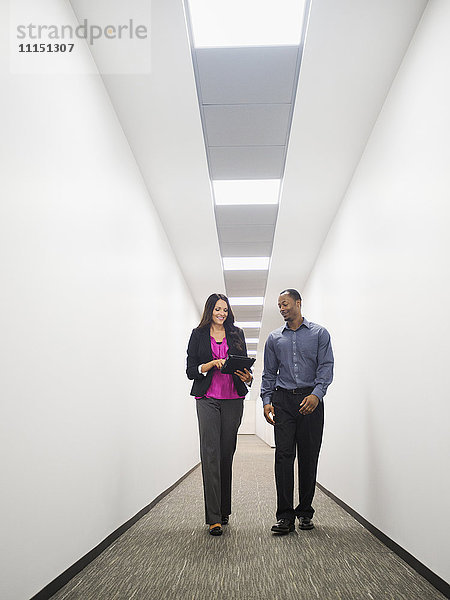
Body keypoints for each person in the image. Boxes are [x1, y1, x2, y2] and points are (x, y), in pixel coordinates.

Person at [261, 289, 334, 534]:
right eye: (279, 305)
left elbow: (326, 367)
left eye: (285, 304)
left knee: (308, 456)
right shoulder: (274, 338)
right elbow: (269, 373)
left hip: (311, 401)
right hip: (283, 401)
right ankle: (285, 516)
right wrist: (266, 400)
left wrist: (316, 394)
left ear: (298, 303)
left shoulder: (319, 334)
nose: (282, 308)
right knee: (283, 457)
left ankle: (304, 512)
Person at [186, 293, 253, 536]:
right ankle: (213, 517)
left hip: (233, 399)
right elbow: (191, 370)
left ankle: (224, 509)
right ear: (209, 311)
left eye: (225, 309)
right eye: (217, 309)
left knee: (226, 455)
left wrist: (248, 376)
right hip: (207, 399)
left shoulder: (237, 334)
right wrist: (211, 365)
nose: (222, 313)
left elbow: (244, 366)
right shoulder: (198, 335)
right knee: (210, 454)